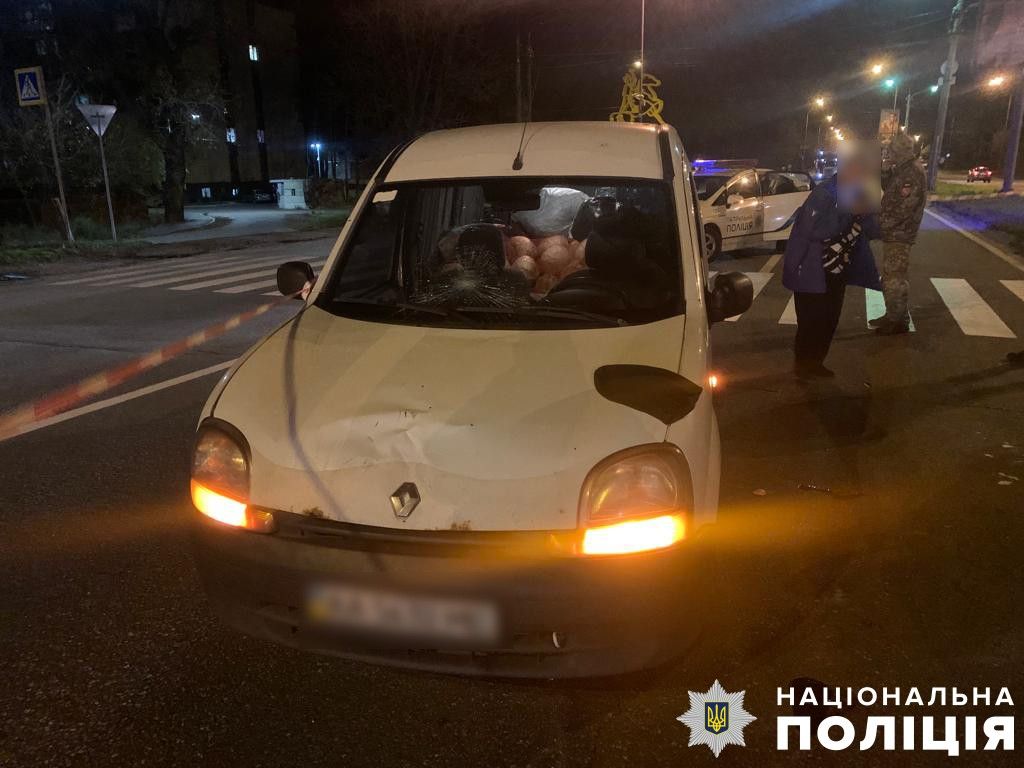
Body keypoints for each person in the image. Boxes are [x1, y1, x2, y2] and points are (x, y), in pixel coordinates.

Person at [782, 173, 881, 378]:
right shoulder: (824, 193)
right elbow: (816, 230)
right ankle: (803, 365)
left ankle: (816, 363)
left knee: (829, 321)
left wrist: (871, 210)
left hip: (838, 271)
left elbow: (874, 231)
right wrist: (849, 211)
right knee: (811, 322)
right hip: (812, 271)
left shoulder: (860, 193)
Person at [872, 132, 927, 335]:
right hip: (895, 232)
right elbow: (890, 189)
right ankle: (894, 315)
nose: (889, 155)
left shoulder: (911, 173)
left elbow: (904, 208)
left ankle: (897, 322)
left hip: (900, 233)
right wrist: (885, 172)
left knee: (894, 279)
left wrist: (879, 224)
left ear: (901, 151)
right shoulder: (904, 169)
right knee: (891, 276)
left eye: (892, 151)